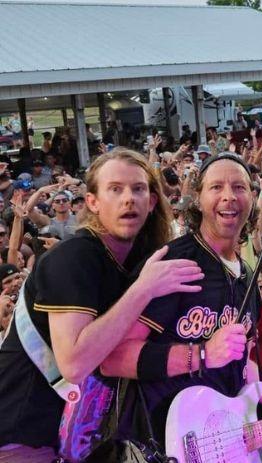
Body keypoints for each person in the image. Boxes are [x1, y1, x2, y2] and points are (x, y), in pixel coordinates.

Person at [100, 153, 262, 453]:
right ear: (197, 199)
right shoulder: (175, 262)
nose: (228, 197)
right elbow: (115, 358)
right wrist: (204, 354)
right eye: (216, 187)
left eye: (239, 187)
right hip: (164, 441)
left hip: (224, 440)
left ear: (252, 196)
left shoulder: (246, 275)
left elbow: (240, 364)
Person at [0, 149, 204, 462]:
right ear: (93, 202)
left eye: (138, 189)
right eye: (115, 189)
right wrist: (144, 289)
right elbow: (75, 363)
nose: (128, 199)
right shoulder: (74, 257)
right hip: (21, 436)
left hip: (84, 439)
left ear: (151, 203)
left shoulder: (137, 260)